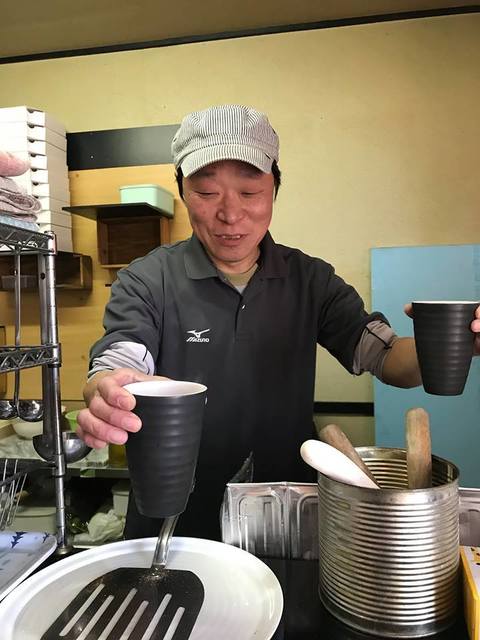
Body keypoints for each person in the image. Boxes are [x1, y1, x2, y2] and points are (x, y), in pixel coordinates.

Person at [77, 104, 480, 541]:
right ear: (182, 191)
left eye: (249, 192)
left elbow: (387, 358)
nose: (230, 214)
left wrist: (457, 342)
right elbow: (121, 358)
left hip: (284, 518)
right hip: (171, 522)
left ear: (274, 190)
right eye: (207, 192)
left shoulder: (311, 280)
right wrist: (108, 387)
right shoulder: (147, 278)